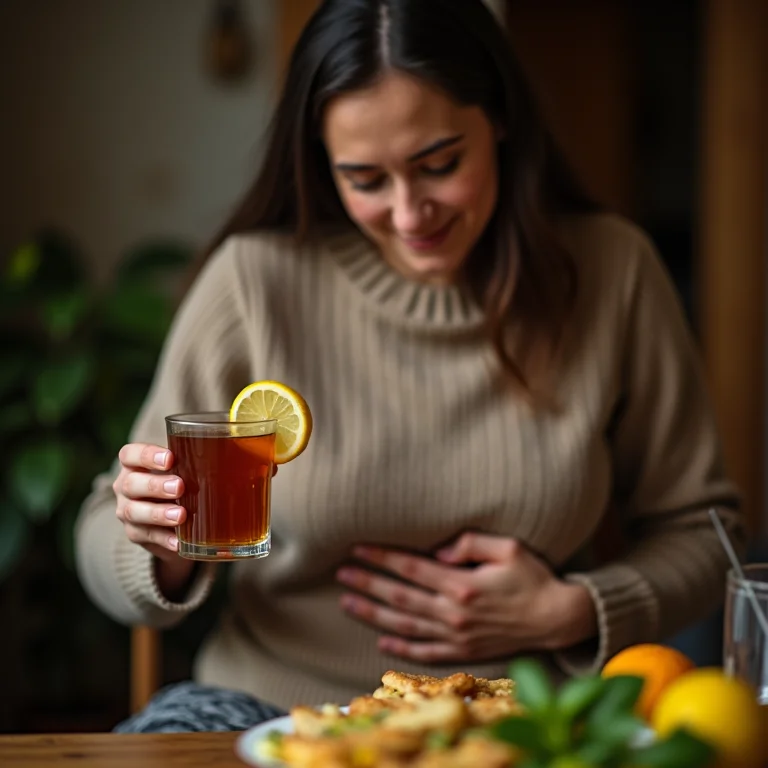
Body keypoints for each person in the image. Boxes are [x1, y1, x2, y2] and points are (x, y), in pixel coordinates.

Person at [75, 0, 743, 734]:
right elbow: (104, 535)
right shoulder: (255, 284)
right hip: (266, 714)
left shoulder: (613, 273)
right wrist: (161, 550)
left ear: (500, 121)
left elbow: (706, 535)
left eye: (440, 165)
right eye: (365, 179)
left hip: (519, 723)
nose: (408, 213)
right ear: (322, 168)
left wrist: (571, 609)